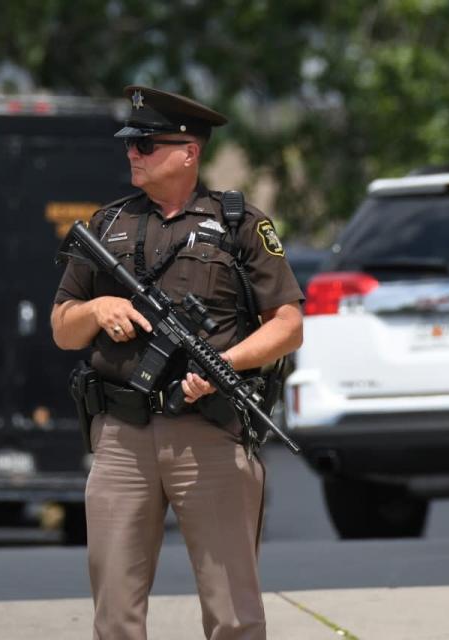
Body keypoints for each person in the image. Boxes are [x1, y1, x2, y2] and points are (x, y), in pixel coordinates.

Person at [51, 85, 304, 640]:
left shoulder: (239, 224)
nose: (132, 153)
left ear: (189, 151)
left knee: (233, 613)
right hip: (121, 437)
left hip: (207, 434)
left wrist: (224, 365)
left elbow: (287, 326)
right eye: (130, 143)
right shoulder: (106, 223)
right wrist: (97, 306)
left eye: (146, 143)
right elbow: (63, 329)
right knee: (114, 615)